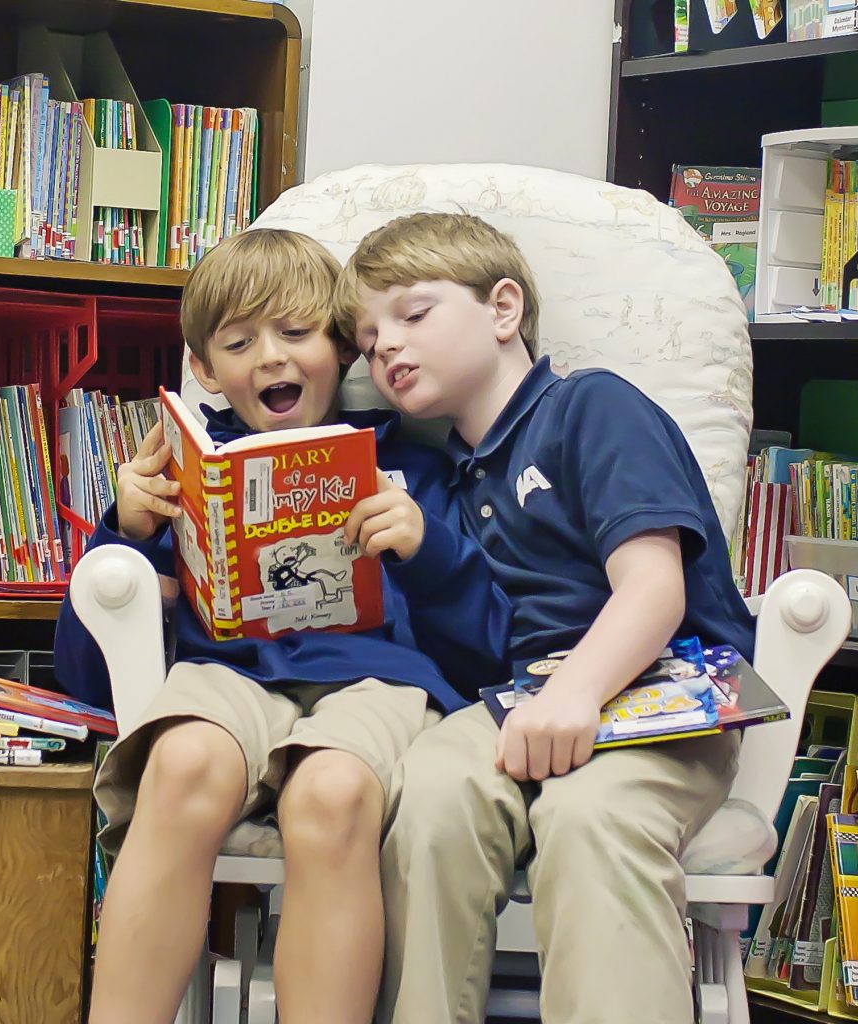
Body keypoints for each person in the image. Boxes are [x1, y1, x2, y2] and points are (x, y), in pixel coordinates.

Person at [53, 227, 510, 1024]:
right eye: (239, 342)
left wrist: (425, 549)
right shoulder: (181, 475)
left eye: (296, 333)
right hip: (229, 676)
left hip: (377, 680)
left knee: (330, 794)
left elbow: (489, 651)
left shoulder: (418, 468)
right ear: (204, 368)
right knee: (183, 763)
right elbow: (87, 680)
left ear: (341, 348)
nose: (271, 357)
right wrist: (122, 535)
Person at [332, 212, 756, 1024]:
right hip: (515, 702)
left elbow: (653, 587)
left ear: (502, 309)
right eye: (366, 336)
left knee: (589, 815)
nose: (384, 345)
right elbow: (468, 648)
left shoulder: (590, 408)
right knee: (429, 795)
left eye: (412, 315)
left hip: (662, 690)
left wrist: (577, 695)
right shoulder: (437, 483)